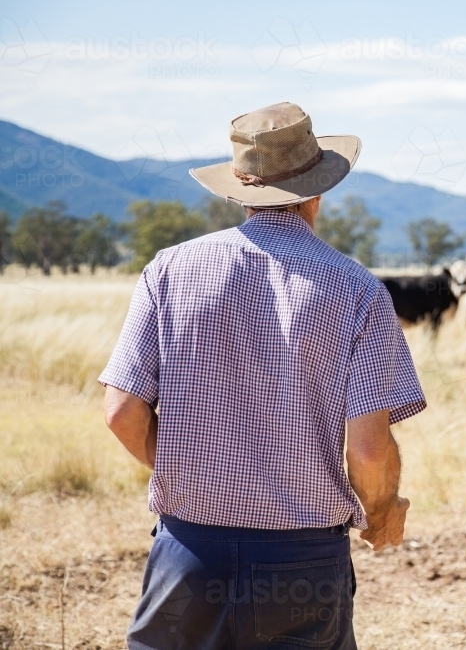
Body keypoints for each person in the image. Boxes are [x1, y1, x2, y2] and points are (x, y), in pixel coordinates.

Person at [98, 102, 425, 650]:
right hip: (301, 561)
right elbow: (367, 452)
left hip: (187, 555)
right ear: (318, 191)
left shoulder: (169, 270)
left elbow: (122, 413)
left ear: (238, 192)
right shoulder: (359, 291)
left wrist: (199, 468)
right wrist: (382, 513)